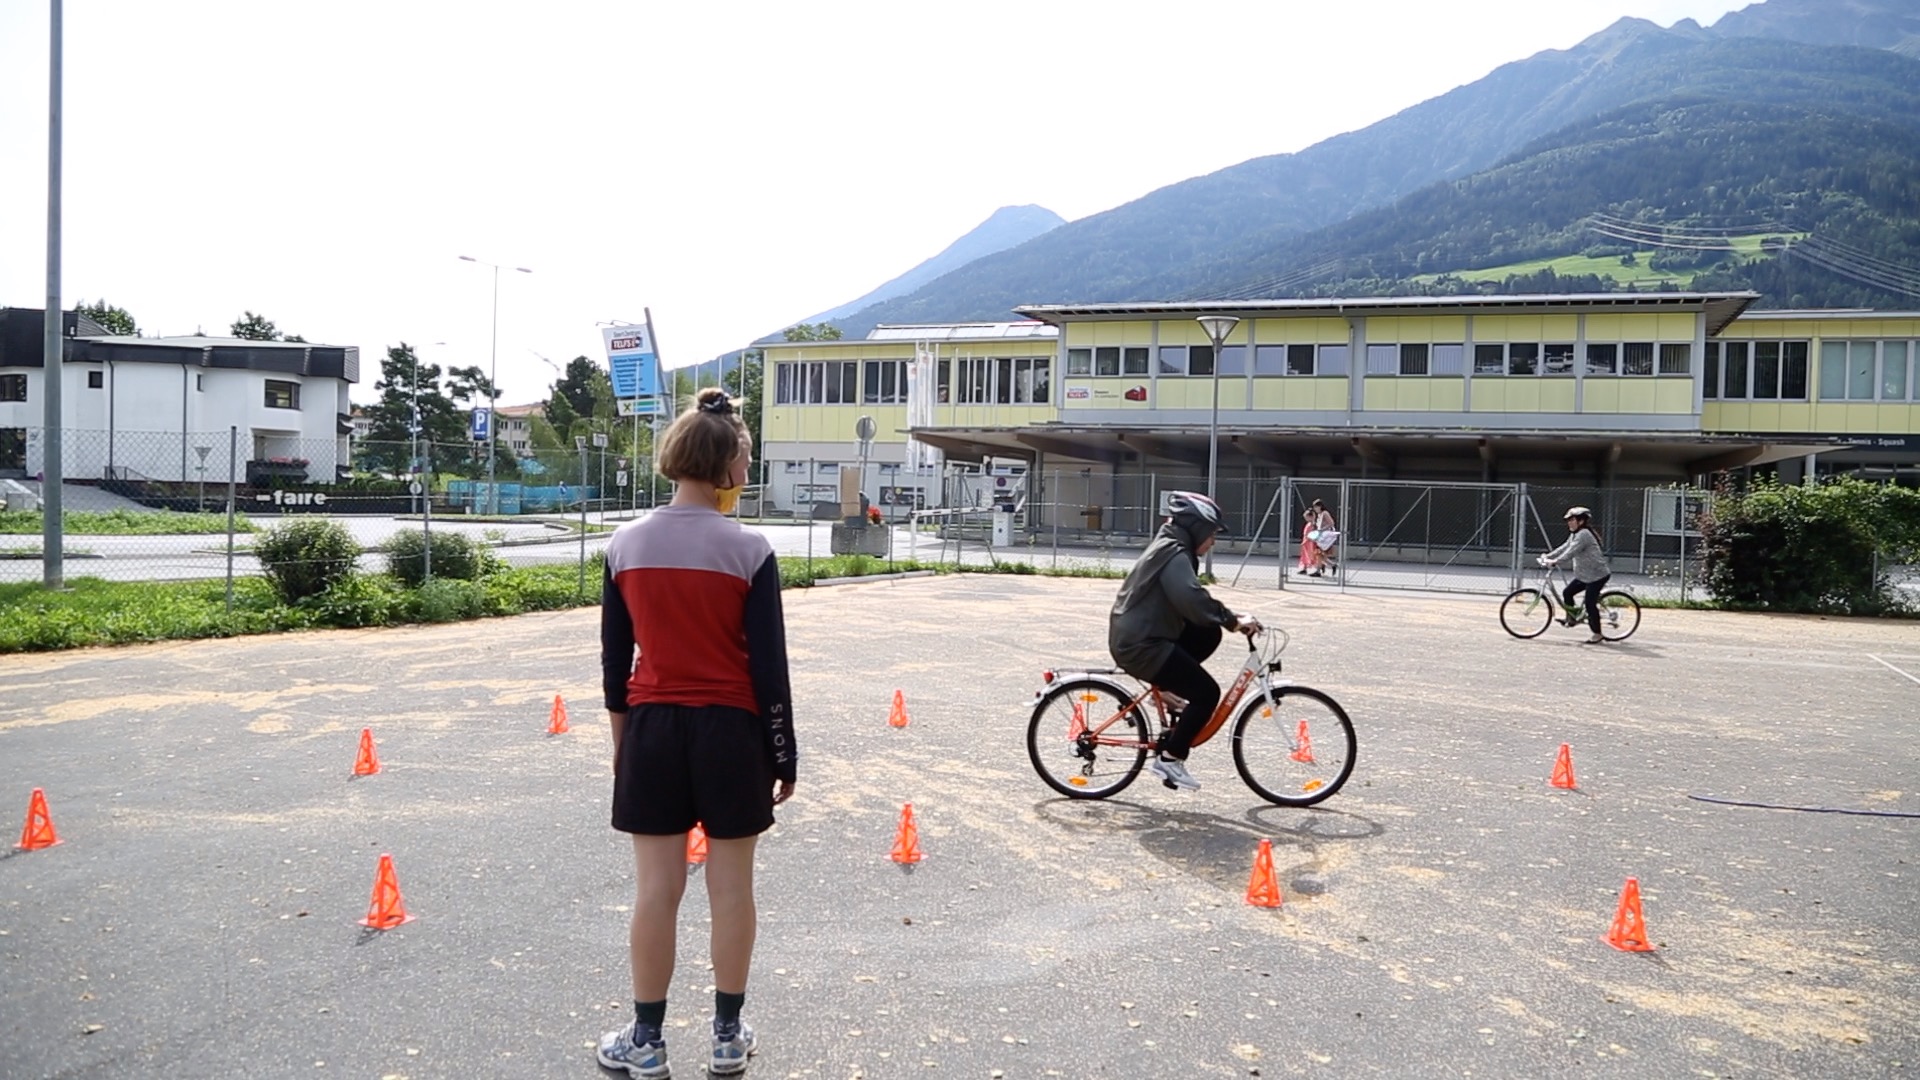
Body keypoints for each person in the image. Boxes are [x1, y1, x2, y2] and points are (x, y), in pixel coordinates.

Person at [597, 388, 796, 1078]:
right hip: (731, 734)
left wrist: (624, 743)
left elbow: (614, 663)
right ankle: (727, 1037)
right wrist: (783, 751)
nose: (749, 463)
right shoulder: (749, 548)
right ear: (726, 463)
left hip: (652, 728)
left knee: (656, 890)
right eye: (745, 452)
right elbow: (769, 667)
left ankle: (646, 1042)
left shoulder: (625, 543)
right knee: (731, 888)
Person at [1108, 491, 1263, 792]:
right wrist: (1233, 620)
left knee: (1208, 632)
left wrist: (1225, 620)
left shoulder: (1171, 546)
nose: (1213, 541)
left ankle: (1165, 687)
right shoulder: (1175, 553)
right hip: (1142, 645)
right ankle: (1170, 757)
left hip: (1144, 635)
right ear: (1196, 528)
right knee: (1206, 693)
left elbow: (1193, 608)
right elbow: (1190, 598)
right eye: (1212, 533)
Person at [1541, 505, 1612, 644]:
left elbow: (1571, 552)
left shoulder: (1584, 534)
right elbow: (1565, 547)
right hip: (1584, 575)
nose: (1569, 523)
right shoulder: (1575, 534)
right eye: (1568, 520)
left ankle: (1597, 634)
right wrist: (1547, 556)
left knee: (1590, 604)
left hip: (1597, 575)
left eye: (1571, 520)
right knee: (1568, 592)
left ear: (1581, 521)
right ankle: (1571, 618)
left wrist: (1556, 561)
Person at [1304, 499, 1340, 576]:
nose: (1315, 509)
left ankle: (1319, 570)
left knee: (1320, 554)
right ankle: (1331, 565)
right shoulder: (1319, 515)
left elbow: (1331, 523)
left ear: (1320, 506)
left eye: (1316, 507)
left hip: (1325, 537)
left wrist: (1321, 530)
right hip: (1321, 537)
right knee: (1319, 555)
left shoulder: (1325, 513)